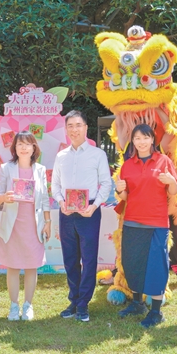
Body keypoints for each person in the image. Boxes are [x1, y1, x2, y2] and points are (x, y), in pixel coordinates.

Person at [114, 124, 177, 328]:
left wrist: (171, 181)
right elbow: (126, 196)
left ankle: (156, 312)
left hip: (156, 223)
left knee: (156, 266)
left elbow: (174, 191)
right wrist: (119, 189)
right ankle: (137, 303)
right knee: (133, 263)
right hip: (132, 222)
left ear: (152, 140)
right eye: (137, 138)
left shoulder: (163, 161)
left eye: (145, 138)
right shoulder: (127, 165)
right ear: (133, 142)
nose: (141, 142)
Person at [51, 110, 112, 322]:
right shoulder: (61, 156)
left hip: (89, 213)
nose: (74, 130)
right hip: (66, 213)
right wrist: (61, 202)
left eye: (78, 125)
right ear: (66, 129)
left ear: (86, 128)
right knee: (70, 259)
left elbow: (106, 183)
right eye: (70, 126)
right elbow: (55, 185)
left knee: (88, 258)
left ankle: (84, 303)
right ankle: (74, 300)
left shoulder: (98, 154)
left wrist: (94, 206)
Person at [0, 131, 51, 321]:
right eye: (20, 144)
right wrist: (4, 197)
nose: (24, 148)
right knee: (12, 266)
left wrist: (48, 222)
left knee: (31, 266)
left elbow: (45, 199)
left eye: (28, 144)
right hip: (13, 225)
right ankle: (13, 306)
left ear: (34, 148)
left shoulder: (40, 169)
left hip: (34, 226)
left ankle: (28, 305)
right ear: (14, 148)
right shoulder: (6, 168)